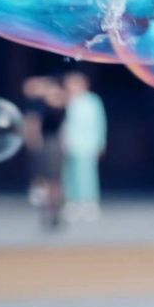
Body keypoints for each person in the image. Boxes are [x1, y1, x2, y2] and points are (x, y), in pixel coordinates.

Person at [22, 76, 67, 232]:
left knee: (54, 181)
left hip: (53, 144)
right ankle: (48, 213)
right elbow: (33, 124)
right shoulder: (38, 104)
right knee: (45, 181)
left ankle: (55, 213)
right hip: (48, 144)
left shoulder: (57, 103)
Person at [61, 70, 107, 222]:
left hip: (87, 144)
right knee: (70, 175)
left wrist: (100, 143)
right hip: (70, 143)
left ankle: (89, 204)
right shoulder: (67, 100)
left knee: (87, 175)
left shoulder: (92, 101)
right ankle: (72, 204)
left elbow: (99, 123)